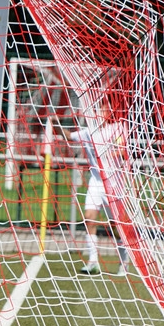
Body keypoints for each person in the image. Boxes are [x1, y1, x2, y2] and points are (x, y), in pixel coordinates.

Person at [61, 93, 130, 276]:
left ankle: (124, 262)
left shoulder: (118, 128)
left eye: (104, 109)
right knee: (89, 218)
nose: (100, 112)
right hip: (96, 182)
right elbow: (69, 136)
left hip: (114, 183)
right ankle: (93, 262)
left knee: (117, 226)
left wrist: (115, 151)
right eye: (98, 109)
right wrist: (56, 123)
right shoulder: (88, 132)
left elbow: (123, 150)